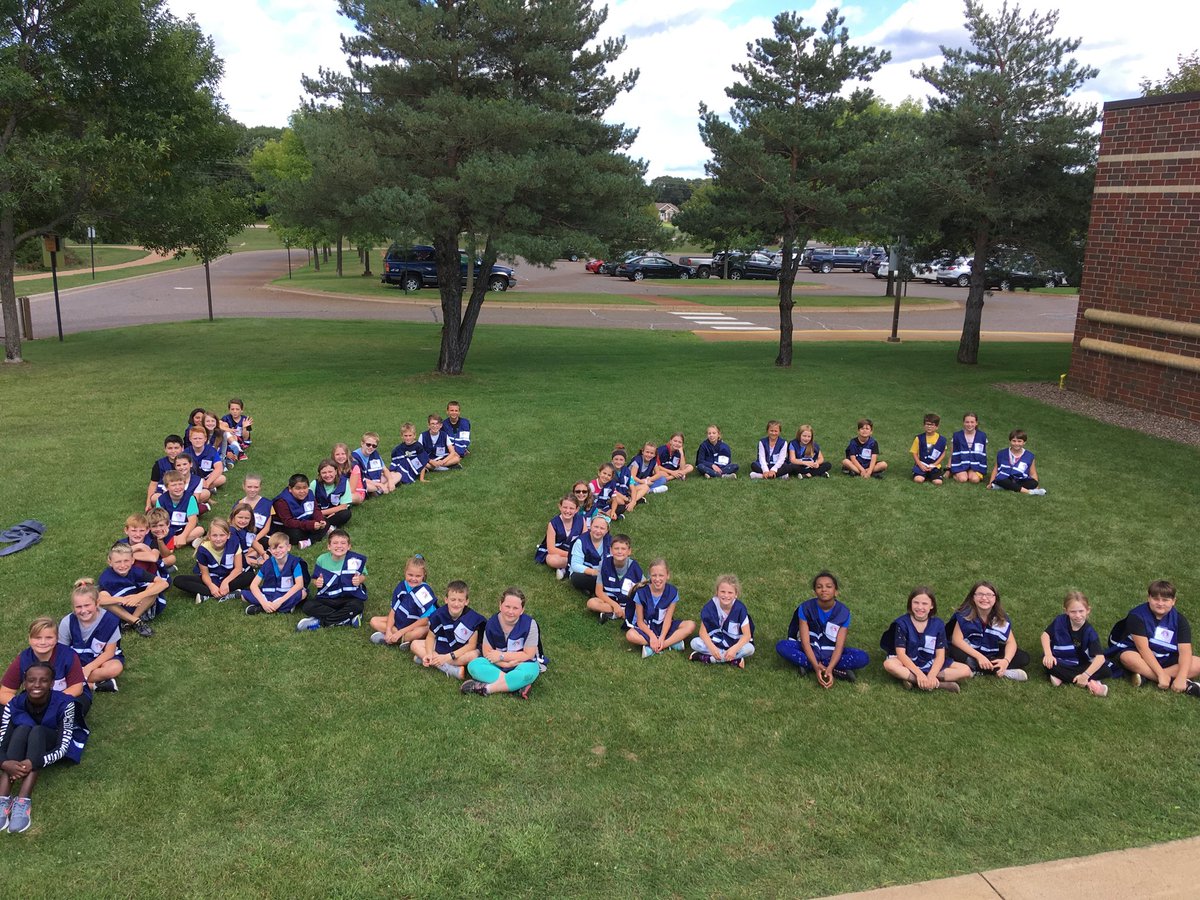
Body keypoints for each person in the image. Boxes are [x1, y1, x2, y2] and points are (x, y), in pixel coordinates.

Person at [0, 662, 88, 834]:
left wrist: (34, 762)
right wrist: (5, 764)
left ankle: (24, 800)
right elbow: (1, 741)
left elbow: (63, 747)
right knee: (22, 729)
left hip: (49, 741)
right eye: (31, 680)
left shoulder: (65, 703)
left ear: (52, 683)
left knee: (38, 731)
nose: (37, 685)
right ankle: (3, 797)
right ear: (24, 683)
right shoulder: (15, 703)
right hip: (22, 739)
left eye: (44, 680)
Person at [776, 571, 869, 685]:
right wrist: (816, 666)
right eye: (819, 587)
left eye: (829, 586)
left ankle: (812, 666)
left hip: (831, 652)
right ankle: (829, 669)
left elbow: (839, 646)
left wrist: (829, 667)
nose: (824, 589)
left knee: (862, 657)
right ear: (815, 591)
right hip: (810, 649)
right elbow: (805, 642)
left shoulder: (844, 612)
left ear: (836, 591)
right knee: (782, 646)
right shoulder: (805, 608)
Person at [1109, 580, 1200, 694]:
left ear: (1173, 601)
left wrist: (1181, 677)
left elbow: (1185, 651)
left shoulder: (1180, 620)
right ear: (1149, 598)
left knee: (1197, 663)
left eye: (1165, 600)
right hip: (1140, 654)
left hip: (1165, 656)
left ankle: (1146, 677)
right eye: (1156, 599)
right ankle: (1175, 682)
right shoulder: (1137, 616)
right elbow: (1143, 649)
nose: (1160, 603)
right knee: (1127, 657)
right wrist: (1161, 675)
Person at [880, 587, 971, 692]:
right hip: (908, 661)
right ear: (910, 604)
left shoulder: (938, 624)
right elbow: (901, 654)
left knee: (966, 670)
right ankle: (937, 684)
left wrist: (932, 674)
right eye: (916, 603)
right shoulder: (902, 623)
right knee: (889, 664)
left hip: (929, 661)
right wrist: (919, 674)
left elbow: (940, 655)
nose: (920, 607)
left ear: (931, 605)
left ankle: (914, 680)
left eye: (924, 604)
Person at [462, 587, 547, 699]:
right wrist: (505, 664)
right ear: (500, 605)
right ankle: (516, 685)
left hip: (522, 664)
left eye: (515, 608)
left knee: (529, 672)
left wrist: (502, 656)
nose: (510, 611)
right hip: (498, 665)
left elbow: (529, 654)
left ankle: (487, 688)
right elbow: (487, 652)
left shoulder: (530, 624)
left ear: (522, 610)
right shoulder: (492, 623)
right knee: (474, 666)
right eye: (507, 606)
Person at [0, 618, 89, 716]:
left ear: (57, 638)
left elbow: (77, 688)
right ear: (29, 639)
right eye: (37, 638)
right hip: (35, 700)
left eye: (49, 637)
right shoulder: (23, 659)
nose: (43, 642)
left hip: (65, 697)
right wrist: (26, 704)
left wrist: (48, 704)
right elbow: (4, 693)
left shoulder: (68, 655)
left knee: (72, 708)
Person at [947, 581, 1030, 680]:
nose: (984, 598)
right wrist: (979, 657)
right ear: (973, 597)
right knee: (953, 652)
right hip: (968, 650)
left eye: (989, 595)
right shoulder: (965, 615)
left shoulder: (1000, 617)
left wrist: (1005, 661)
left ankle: (980, 669)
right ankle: (1000, 671)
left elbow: (1011, 642)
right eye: (980, 594)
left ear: (995, 599)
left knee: (1023, 658)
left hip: (988, 649)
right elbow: (956, 640)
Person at [410, 580, 485, 680]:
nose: (456, 604)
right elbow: (430, 637)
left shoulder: (472, 618)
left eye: (460, 600)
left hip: (460, 651)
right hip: (443, 643)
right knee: (414, 644)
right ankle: (450, 669)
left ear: (466, 601)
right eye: (453, 599)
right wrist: (428, 653)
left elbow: (471, 646)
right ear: (446, 600)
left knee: (474, 655)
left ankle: (430, 660)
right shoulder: (439, 614)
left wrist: (447, 657)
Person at [1040, 591, 1110, 697]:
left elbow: (1100, 658)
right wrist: (1048, 654)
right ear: (1066, 611)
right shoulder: (1060, 620)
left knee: (1106, 670)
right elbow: (1045, 635)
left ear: (1088, 610)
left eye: (1081, 611)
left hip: (1082, 663)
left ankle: (1063, 677)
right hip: (1062, 659)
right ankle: (1091, 683)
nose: (1078, 615)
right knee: (1048, 664)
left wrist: (1085, 675)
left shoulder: (1090, 632)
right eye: (1073, 612)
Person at [58, 580, 123, 693]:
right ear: (73, 607)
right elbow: (61, 651)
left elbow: (109, 652)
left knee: (115, 668)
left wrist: (89, 668)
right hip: (75, 659)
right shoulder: (67, 622)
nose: (83, 611)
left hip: (99, 658)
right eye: (78, 607)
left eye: (87, 605)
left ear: (97, 603)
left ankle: (70, 682)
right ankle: (93, 685)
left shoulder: (110, 620)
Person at [296, 529, 366, 630]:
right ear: (329, 546)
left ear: (349, 546)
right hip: (327, 597)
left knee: (358, 605)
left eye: (343, 543)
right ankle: (347, 618)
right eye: (335, 543)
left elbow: (363, 575)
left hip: (348, 597)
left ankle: (321, 622)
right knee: (308, 606)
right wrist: (317, 582)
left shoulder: (355, 560)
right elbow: (315, 579)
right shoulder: (322, 559)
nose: (339, 546)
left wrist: (359, 579)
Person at [625, 559, 695, 657]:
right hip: (647, 627)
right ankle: (672, 643)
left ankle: (658, 646)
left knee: (690, 625)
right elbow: (640, 622)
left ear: (668, 575)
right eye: (654, 575)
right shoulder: (640, 593)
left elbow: (668, 618)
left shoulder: (672, 592)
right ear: (649, 576)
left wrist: (662, 637)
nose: (657, 579)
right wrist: (651, 635)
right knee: (630, 635)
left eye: (661, 575)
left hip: (663, 626)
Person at [173, 518, 251, 603]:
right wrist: (211, 586)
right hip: (211, 578)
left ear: (228, 535)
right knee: (179, 580)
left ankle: (207, 595)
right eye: (215, 535)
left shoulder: (234, 543)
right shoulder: (203, 549)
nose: (218, 539)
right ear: (209, 536)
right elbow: (205, 574)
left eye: (222, 535)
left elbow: (238, 569)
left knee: (250, 576)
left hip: (229, 577)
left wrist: (225, 582)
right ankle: (227, 594)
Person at [98, 543, 168, 636]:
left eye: (126, 561)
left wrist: (138, 596)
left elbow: (164, 583)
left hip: (140, 606)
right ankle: (135, 621)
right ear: (110, 562)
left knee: (152, 587)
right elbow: (100, 600)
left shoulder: (135, 571)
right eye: (118, 562)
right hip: (120, 609)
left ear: (132, 560)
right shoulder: (105, 577)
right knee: (106, 602)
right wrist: (121, 599)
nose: (122, 565)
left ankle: (131, 621)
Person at [370, 556, 438, 648]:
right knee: (374, 621)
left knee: (422, 631)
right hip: (401, 620)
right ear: (405, 572)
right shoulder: (402, 586)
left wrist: (401, 631)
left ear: (423, 575)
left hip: (416, 625)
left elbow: (425, 620)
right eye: (410, 575)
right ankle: (401, 639)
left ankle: (396, 638)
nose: (413, 579)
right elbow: (393, 611)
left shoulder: (424, 592)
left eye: (418, 576)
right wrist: (389, 629)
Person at [689, 573, 754, 667]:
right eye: (722, 591)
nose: (726, 595)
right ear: (717, 592)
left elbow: (747, 635)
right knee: (694, 643)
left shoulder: (740, 608)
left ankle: (707, 658)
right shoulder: (711, 606)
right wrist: (712, 648)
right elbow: (702, 633)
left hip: (734, 643)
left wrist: (734, 649)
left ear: (736, 594)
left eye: (730, 592)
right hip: (716, 641)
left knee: (750, 649)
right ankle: (733, 660)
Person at [242, 533, 307, 615]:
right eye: (274, 548)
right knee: (243, 596)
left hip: (286, 593)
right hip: (269, 593)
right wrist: (264, 602)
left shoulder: (294, 562)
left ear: (288, 547)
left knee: (302, 593)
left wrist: (279, 601)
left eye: (281, 547)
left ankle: (261, 609)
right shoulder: (267, 563)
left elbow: (299, 585)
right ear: (270, 550)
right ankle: (284, 608)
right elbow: (253, 585)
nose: (277, 551)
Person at [588, 533, 642, 623]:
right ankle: (621, 612)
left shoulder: (634, 566)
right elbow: (599, 591)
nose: (619, 552)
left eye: (623, 549)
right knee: (591, 603)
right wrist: (615, 605)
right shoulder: (604, 564)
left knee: (642, 608)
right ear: (611, 550)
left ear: (629, 551)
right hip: (610, 601)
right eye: (616, 548)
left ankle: (612, 614)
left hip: (627, 602)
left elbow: (644, 588)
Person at [271, 473, 328, 548]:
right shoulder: (281, 502)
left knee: (326, 522)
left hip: (304, 522)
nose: (302, 491)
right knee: (295, 535)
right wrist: (309, 525)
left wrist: (320, 520)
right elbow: (288, 522)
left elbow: (316, 510)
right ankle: (315, 536)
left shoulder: (310, 493)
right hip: (285, 527)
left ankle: (308, 541)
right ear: (290, 489)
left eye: (305, 488)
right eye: (298, 488)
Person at [534, 494, 585, 578]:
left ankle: (566, 569)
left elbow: (585, 539)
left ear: (577, 510)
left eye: (571, 508)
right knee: (552, 560)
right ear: (560, 507)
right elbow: (551, 549)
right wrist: (572, 555)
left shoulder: (581, 520)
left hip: (574, 550)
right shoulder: (553, 524)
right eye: (565, 507)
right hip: (558, 553)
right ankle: (576, 565)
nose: (567, 511)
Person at [988, 429, 1046, 495]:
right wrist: (991, 482)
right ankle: (1029, 492)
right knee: (1001, 479)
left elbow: (1033, 473)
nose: (1016, 443)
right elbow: (995, 469)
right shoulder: (1001, 453)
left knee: (1034, 483)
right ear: (1010, 441)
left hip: (1019, 480)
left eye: (1019, 441)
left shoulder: (1029, 456)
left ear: (1024, 442)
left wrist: (1036, 486)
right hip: (1004, 478)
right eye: (1014, 441)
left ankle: (1001, 487)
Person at [155, 470, 203, 548]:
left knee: (200, 530)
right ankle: (183, 542)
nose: (178, 487)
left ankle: (173, 542)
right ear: (167, 487)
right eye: (173, 485)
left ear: (185, 484)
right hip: (168, 529)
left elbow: (192, 520)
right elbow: (159, 521)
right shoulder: (161, 500)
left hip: (185, 529)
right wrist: (166, 533)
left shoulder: (190, 498)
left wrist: (183, 536)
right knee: (155, 532)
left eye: (180, 484)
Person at [568, 514, 611, 596]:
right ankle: (603, 590)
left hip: (602, 572)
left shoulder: (610, 541)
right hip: (584, 572)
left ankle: (594, 590)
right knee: (576, 578)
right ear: (590, 526)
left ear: (607, 530)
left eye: (602, 528)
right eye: (596, 527)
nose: (598, 531)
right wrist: (594, 572)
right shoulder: (581, 541)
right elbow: (575, 565)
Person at [145, 434, 185, 511]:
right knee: (154, 498)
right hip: (165, 493)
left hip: (183, 492)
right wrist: (148, 504)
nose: (173, 451)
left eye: (176, 448)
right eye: (170, 448)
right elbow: (153, 484)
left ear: (182, 448)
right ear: (165, 449)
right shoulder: (159, 464)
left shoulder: (188, 463)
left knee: (204, 494)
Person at [313, 459, 353, 529]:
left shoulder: (344, 482)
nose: (327, 475)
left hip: (335, 512)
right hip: (318, 513)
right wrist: (319, 514)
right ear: (320, 474)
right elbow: (308, 503)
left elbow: (343, 506)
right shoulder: (314, 484)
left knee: (346, 513)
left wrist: (324, 513)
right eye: (324, 473)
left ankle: (325, 525)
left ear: (336, 472)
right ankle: (328, 526)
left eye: (330, 472)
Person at [119, 513, 162, 579]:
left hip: (150, 573)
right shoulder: (121, 543)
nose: (138, 534)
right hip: (126, 570)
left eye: (142, 530)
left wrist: (125, 555)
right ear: (126, 530)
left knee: (139, 564)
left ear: (147, 531)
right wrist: (139, 546)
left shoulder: (152, 542)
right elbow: (114, 558)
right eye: (133, 530)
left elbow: (153, 558)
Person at [185, 425, 226, 492]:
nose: (197, 441)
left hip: (207, 477)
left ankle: (204, 488)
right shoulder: (186, 452)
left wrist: (207, 483)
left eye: (200, 438)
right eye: (195, 438)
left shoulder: (211, 450)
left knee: (222, 478)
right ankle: (207, 489)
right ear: (190, 439)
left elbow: (219, 468)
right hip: (192, 478)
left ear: (205, 439)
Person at [238, 473, 274, 548]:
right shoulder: (239, 504)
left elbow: (266, 528)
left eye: (256, 487)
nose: (252, 490)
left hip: (259, 537)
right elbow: (232, 523)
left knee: (273, 543)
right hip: (241, 536)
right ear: (243, 486)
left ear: (260, 487)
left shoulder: (268, 504)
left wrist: (254, 541)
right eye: (249, 487)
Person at [950, 412, 988, 484]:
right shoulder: (957, 435)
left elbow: (983, 453)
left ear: (976, 423)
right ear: (963, 423)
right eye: (967, 422)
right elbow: (953, 452)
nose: (969, 424)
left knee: (974, 480)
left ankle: (969, 473)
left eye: (972, 422)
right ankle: (955, 474)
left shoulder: (982, 436)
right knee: (963, 479)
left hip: (975, 463)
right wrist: (949, 466)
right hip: (960, 462)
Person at [910, 413, 947, 485]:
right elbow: (914, 453)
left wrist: (934, 465)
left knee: (938, 482)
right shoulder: (919, 438)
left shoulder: (942, 440)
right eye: (927, 424)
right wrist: (920, 465)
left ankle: (931, 475)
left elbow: (943, 453)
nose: (929, 427)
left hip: (934, 466)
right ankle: (922, 474)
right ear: (924, 425)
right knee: (918, 480)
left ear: (937, 427)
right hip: (922, 464)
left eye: (932, 425)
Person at [229, 503, 268, 568]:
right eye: (240, 517)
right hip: (234, 559)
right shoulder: (232, 532)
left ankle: (252, 560)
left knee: (260, 547)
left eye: (247, 518)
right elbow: (233, 556)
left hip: (244, 554)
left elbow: (253, 542)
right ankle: (252, 561)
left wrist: (263, 553)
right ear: (233, 517)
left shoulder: (246, 528)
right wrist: (258, 562)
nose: (243, 521)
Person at [611, 445, 649, 510]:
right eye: (616, 459)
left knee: (645, 487)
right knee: (619, 500)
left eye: (621, 460)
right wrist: (626, 499)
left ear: (625, 461)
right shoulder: (609, 470)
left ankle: (633, 502)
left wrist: (633, 501)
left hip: (625, 492)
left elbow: (632, 487)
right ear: (612, 460)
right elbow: (611, 490)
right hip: (614, 493)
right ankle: (629, 502)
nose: (618, 462)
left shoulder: (627, 471)